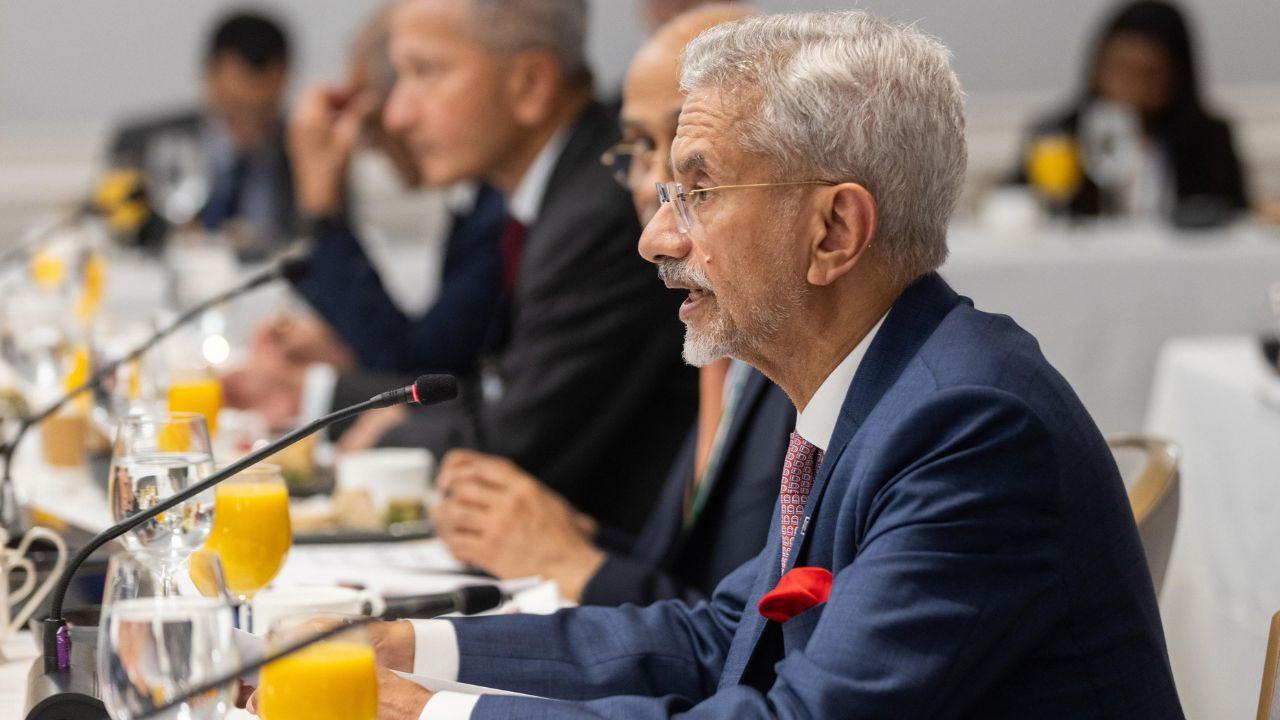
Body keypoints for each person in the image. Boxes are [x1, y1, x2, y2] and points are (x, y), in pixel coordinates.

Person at [308, 11, 1182, 718]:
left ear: (834, 231)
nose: (655, 236)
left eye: (699, 190)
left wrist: (431, 715)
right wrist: (410, 647)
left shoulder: (972, 428)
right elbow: (721, 637)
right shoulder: (868, 382)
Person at [429, 3, 793, 607]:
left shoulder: (796, 363)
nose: (655, 192)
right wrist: (576, 538)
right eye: (641, 147)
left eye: (689, 153)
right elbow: (701, 578)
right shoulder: (726, 346)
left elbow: (749, 643)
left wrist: (574, 563)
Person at [313, 0, 695, 536]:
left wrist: (388, 431)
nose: (397, 114)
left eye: (426, 72)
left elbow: (516, 444)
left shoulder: (601, 211)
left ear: (530, 85)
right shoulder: (535, 193)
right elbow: (492, 379)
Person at [223, 5, 505, 423]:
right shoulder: (483, 200)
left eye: (369, 123)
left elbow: (422, 366)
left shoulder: (501, 211)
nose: (390, 125)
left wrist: (320, 205)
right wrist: (344, 352)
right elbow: (427, 359)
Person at [1011, 0, 1248, 223]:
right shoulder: (1058, 136)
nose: (1132, 87)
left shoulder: (1208, 139)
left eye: (1149, 74)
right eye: (1121, 68)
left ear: (1177, 77)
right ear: (1098, 65)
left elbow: (1234, 216)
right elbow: (1017, 207)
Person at [107, 11, 297, 255]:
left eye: (264, 110)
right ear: (209, 73)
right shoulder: (142, 144)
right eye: (236, 107)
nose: (247, 125)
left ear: (285, 78)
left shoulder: (304, 151)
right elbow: (119, 240)